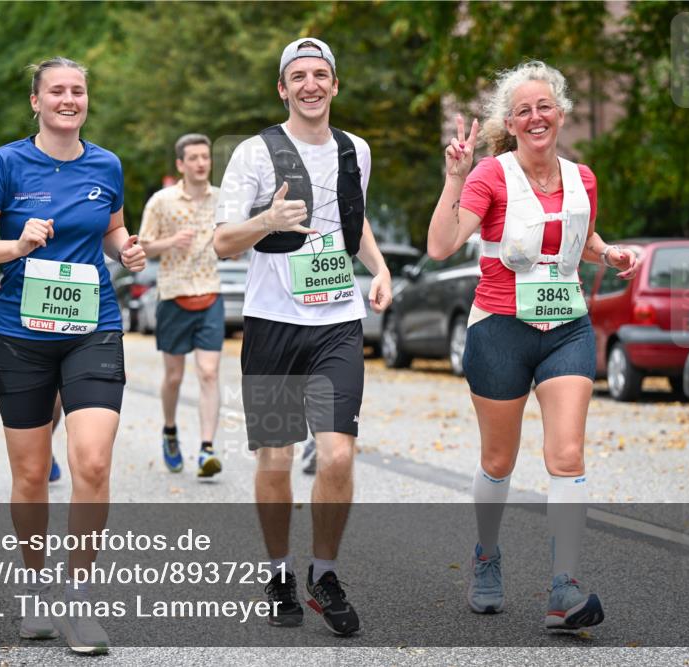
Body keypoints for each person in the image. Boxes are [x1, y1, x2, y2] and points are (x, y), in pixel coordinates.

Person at [426, 60, 638, 629]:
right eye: (524, 110)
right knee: (498, 460)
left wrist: (608, 252)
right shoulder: (489, 177)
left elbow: (578, 234)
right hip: (499, 329)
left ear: (561, 114)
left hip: (566, 327)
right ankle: (486, 556)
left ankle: (563, 589)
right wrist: (455, 176)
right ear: (512, 123)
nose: (536, 116)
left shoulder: (582, 177)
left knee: (566, 455)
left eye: (544, 107)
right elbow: (442, 245)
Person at [0, 56, 145, 655]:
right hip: (21, 334)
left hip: (93, 327)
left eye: (78, 90)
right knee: (32, 474)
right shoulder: (5, 164)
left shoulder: (106, 164)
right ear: (35, 101)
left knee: (91, 462)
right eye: (56, 90)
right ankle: (36, 587)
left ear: (88, 99)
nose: (69, 99)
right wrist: (16, 242)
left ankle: (78, 600)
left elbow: (111, 231)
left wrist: (127, 250)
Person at [213, 37, 392, 636]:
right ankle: (279, 570)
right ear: (283, 88)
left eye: (321, 74)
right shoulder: (255, 153)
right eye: (299, 76)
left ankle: (326, 572)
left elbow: (351, 215)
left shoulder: (355, 150)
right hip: (271, 324)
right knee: (276, 457)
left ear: (335, 85)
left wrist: (379, 265)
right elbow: (222, 240)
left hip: (337, 322)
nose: (311, 84)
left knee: (338, 452)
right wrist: (267, 219)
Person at [138, 133, 224, 478]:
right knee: (174, 377)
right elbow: (142, 247)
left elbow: (234, 239)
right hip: (173, 295)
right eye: (194, 158)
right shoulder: (161, 201)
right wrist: (171, 241)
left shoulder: (223, 200)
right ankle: (170, 431)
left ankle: (206, 449)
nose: (201, 163)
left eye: (206, 157)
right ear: (181, 164)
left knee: (209, 372)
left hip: (210, 293)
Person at [0, 262, 63, 484]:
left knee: (56, 402)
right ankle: (41, 453)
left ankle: (45, 447)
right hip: (20, 332)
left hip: (65, 329)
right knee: (33, 407)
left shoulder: (76, 229)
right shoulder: (6, 230)